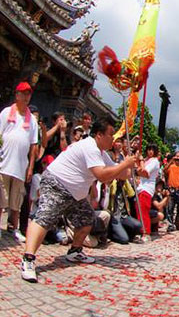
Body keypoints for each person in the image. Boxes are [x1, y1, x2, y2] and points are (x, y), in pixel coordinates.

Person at [20, 116, 137, 283]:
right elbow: (103, 176)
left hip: (76, 194)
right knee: (44, 218)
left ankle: (75, 251)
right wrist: (125, 165)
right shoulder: (90, 147)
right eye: (111, 134)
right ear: (99, 135)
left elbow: (121, 174)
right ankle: (28, 259)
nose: (113, 138)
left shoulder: (102, 153)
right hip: (57, 184)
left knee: (88, 218)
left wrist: (130, 163)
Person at [0, 82, 39, 242]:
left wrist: (30, 167)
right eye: (23, 93)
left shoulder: (32, 121)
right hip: (3, 163)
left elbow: (33, 145)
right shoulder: (6, 113)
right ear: (16, 95)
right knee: (1, 198)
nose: (25, 97)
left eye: (28, 94)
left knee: (16, 201)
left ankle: (13, 228)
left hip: (20, 166)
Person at [137, 144, 160, 239]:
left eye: (152, 150)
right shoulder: (146, 160)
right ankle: (140, 230)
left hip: (146, 187)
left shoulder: (154, 161)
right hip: (140, 187)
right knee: (139, 210)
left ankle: (145, 232)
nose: (150, 151)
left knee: (143, 211)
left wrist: (141, 161)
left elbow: (145, 172)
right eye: (149, 149)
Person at [164, 151, 179, 231]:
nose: (178, 158)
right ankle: (170, 225)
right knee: (170, 208)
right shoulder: (171, 167)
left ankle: (177, 223)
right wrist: (171, 161)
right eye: (177, 156)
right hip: (171, 190)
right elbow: (164, 170)